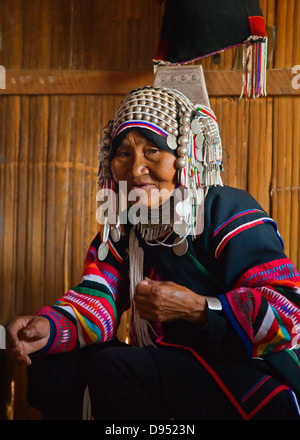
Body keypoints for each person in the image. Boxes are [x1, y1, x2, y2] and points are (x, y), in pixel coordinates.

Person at [6, 86, 300, 420]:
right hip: (166, 364)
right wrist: (49, 326)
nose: (135, 170)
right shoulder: (126, 225)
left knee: (115, 367)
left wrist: (199, 308)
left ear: (185, 154)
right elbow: (98, 296)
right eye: (124, 154)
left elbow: (289, 313)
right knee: (54, 363)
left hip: (247, 374)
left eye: (152, 151)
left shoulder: (227, 210)